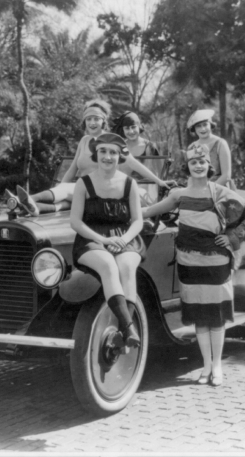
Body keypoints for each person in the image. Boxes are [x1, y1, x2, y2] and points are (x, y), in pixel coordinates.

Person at [142, 144, 245, 386]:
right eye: (194, 162)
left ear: (208, 166)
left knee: (216, 316)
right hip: (188, 262)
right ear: (187, 167)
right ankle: (206, 367)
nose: (198, 165)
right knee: (199, 317)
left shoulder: (219, 192)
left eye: (202, 162)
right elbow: (148, 211)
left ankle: (217, 367)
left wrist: (232, 238)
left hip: (216, 262)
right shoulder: (178, 195)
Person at [20, 100, 172, 215]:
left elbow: (132, 162)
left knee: (68, 190)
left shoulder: (112, 139)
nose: (92, 123)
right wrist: (57, 189)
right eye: (88, 119)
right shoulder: (84, 140)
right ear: (84, 122)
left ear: (103, 121)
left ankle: (30, 198)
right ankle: (36, 208)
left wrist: (159, 181)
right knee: (66, 196)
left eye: (96, 119)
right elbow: (72, 170)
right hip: (84, 190)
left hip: (103, 189)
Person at [70, 133, 145, 348]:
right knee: (108, 266)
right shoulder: (83, 183)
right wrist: (102, 239)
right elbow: (75, 221)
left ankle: (125, 331)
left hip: (124, 236)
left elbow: (137, 221)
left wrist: (124, 239)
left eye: (113, 152)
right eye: (103, 151)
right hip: (91, 237)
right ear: (96, 154)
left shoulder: (130, 184)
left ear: (120, 156)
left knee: (127, 265)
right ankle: (129, 328)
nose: (107, 157)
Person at [186, 109, 233, 187]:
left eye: (205, 124)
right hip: (198, 189)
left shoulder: (220, 143)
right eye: (198, 126)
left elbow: (226, 176)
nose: (202, 129)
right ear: (194, 129)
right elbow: (192, 175)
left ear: (210, 125)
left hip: (219, 188)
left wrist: (208, 190)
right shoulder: (192, 147)